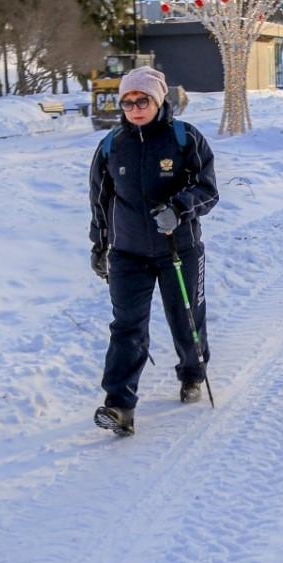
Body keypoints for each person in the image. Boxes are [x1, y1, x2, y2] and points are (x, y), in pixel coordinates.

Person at [88, 66, 218, 437]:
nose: (133, 108)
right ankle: (119, 406)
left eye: (141, 100)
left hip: (179, 249)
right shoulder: (112, 145)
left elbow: (208, 189)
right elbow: (99, 200)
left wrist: (178, 208)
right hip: (128, 252)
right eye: (126, 102)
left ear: (158, 100)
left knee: (185, 317)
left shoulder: (184, 139)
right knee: (127, 327)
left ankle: (193, 372)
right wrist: (100, 245)